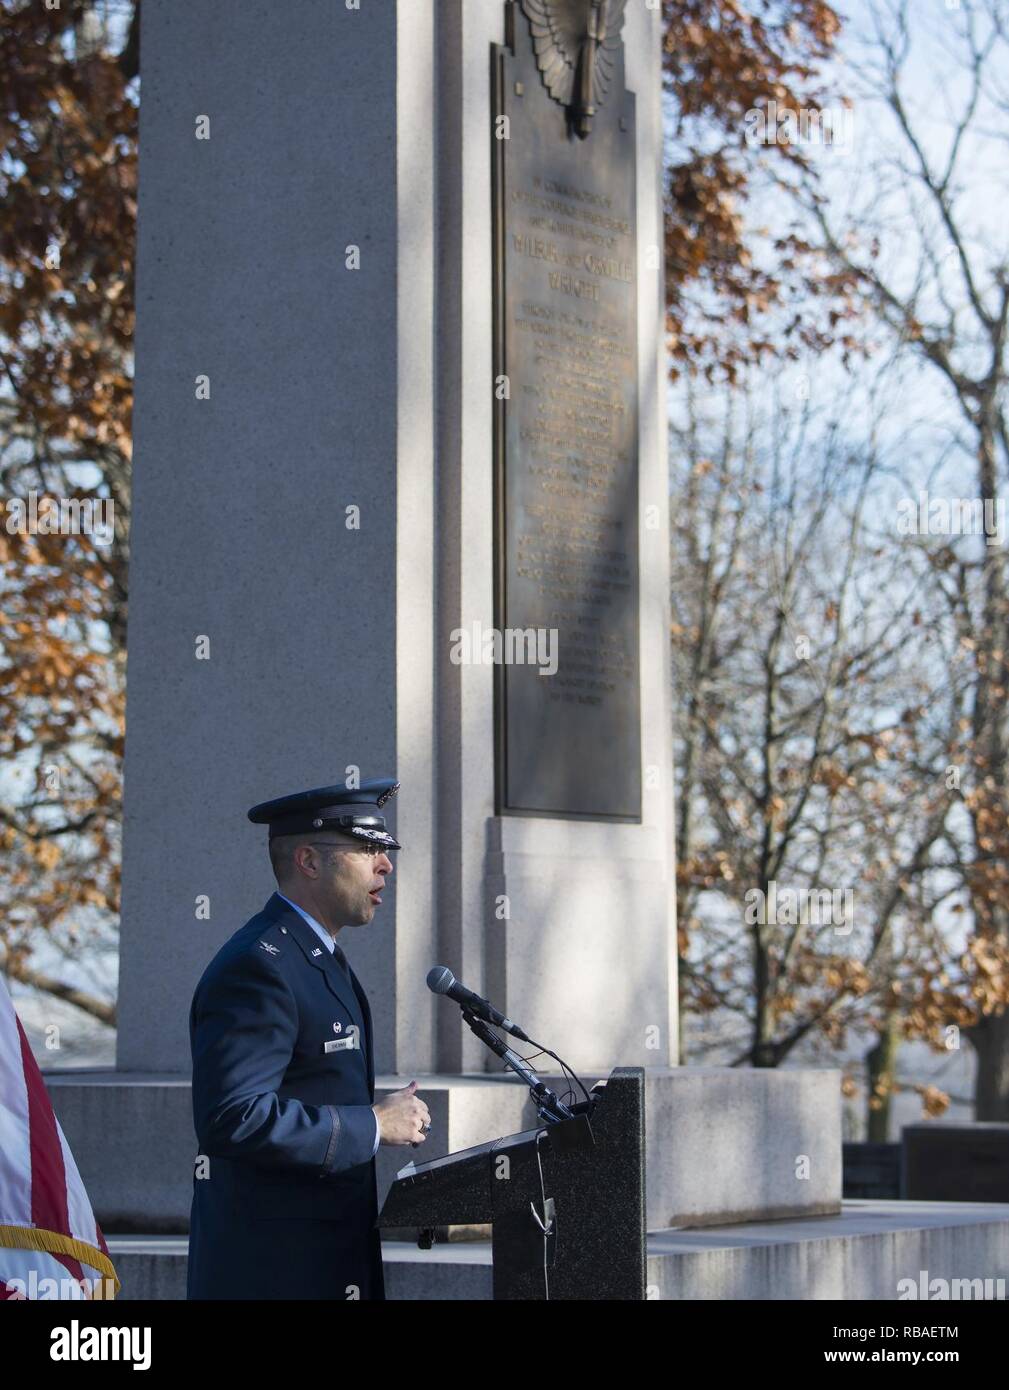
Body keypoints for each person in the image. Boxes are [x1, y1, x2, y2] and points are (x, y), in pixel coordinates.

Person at [186, 777, 430, 1300]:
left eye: (383, 850)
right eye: (367, 849)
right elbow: (233, 1118)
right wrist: (371, 1124)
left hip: (326, 1262)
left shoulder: (314, 956)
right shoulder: (260, 965)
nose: (385, 864)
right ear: (309, 861)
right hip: (275, 1273)